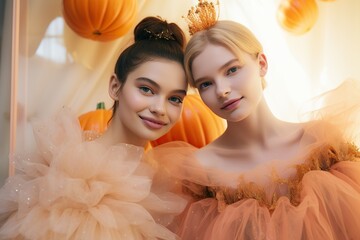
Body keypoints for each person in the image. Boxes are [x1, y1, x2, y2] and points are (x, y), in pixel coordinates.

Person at [149, 1, 360, 239]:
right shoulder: (200, 176)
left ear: (261, 64)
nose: (222, 90)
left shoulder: (322, 146)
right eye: (206, 84)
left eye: (232, 70)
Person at [0, 16, 188, 240]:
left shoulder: (165, 186)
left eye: (175, 99)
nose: (160, 108)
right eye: (147, 89)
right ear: (115, 87)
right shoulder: (69, 172)